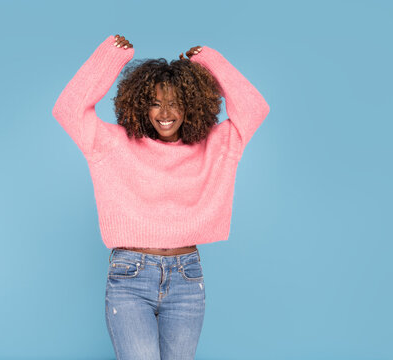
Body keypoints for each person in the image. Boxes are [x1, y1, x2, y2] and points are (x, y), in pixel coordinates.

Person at [52, 34, 269, 360]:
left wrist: (211, 62)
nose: (165, 112)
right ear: (140, 104)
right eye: (155, 102)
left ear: (191, 105)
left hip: (187, 277)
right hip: (130, 278)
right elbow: (68, 109)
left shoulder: (215, 146)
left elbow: (254, 109)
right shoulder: (113, 144)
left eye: (175, 102)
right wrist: (110, 57)